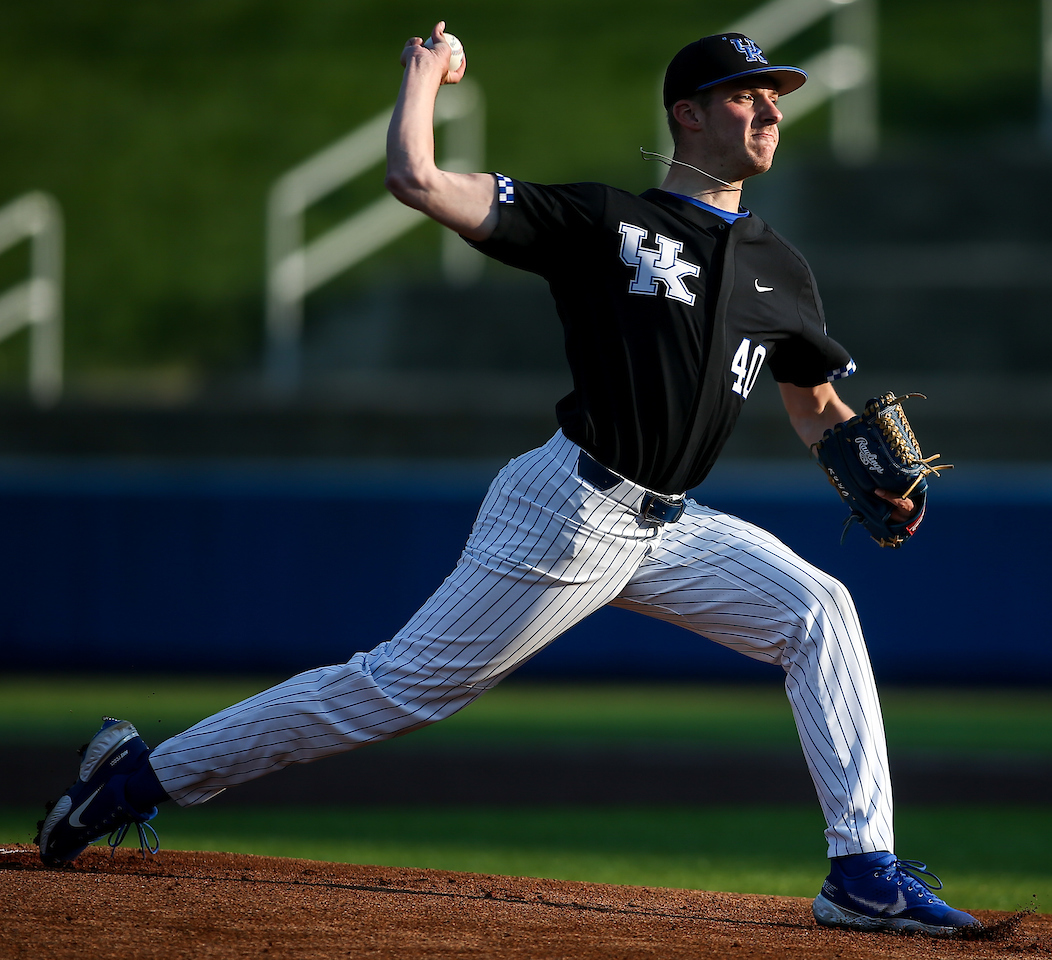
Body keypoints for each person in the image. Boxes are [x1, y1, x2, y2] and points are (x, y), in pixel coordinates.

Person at [36, 26, 978, 937]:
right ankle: (134, 778)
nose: (768, 110)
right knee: (395, 692)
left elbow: (811, 399)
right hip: (569, 512)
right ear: (686, 115)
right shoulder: (607, 223)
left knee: (820, 611)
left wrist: (862, 466)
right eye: (746, 94)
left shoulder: (780, 266)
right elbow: (419, 181)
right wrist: (425, 77)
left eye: (776, 97)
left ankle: (862, 874)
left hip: (671, 527)